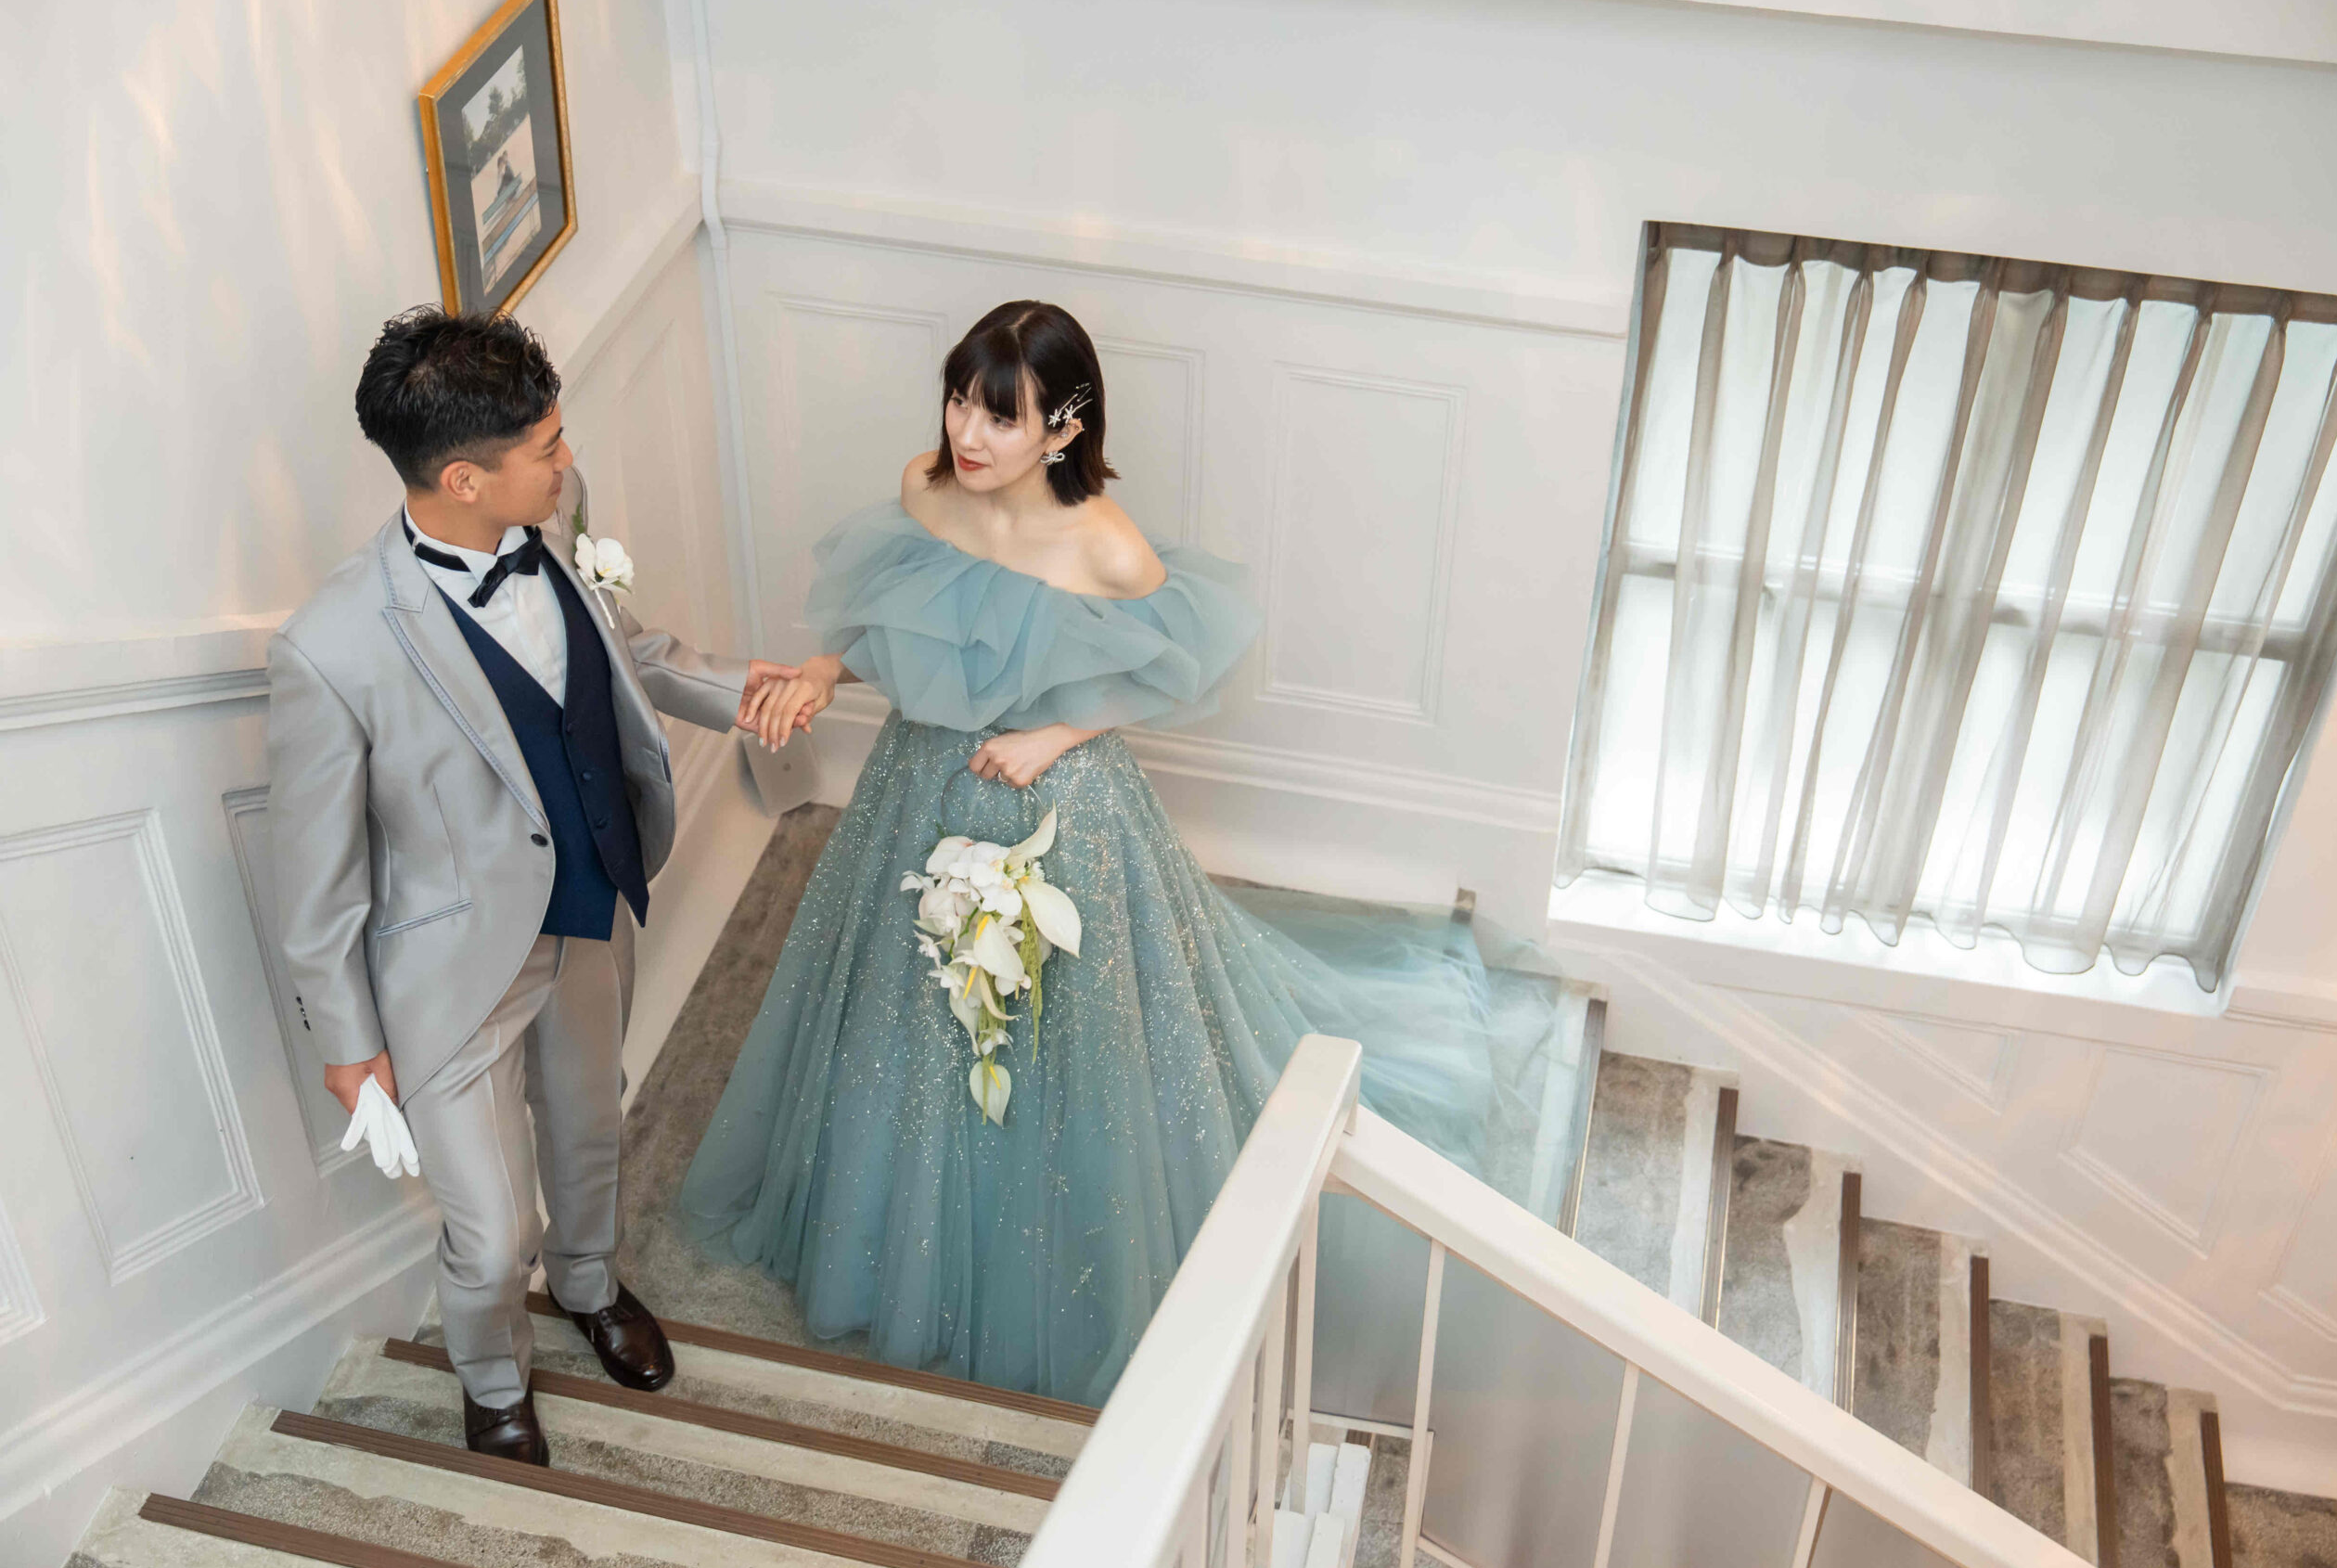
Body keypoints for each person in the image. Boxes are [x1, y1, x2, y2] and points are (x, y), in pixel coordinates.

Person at [679, 300, 1542, 1405]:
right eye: (959, 402)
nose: (967, 434)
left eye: (1001, 415)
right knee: (908, 1010)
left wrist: (1056, 734)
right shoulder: (927, 488)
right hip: (916, 783)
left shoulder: (1105, 544)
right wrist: (819, 670)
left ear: (1065, 426)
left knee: (1065, 1029)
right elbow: (899, 620)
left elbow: (1172, 668)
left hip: (1053, 803)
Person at [267, 306, 803, 1464]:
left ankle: (590, 1282)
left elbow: (626, 651)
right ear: (464, 479)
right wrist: (347, 1043)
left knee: (591, 1122)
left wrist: (745, 691)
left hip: (590, 908)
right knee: (489, 1221)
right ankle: (493, 1380)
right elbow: (314, 873)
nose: (569, 460)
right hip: (451, 971)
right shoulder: (331, 647)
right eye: (548, 446)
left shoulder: (551, 518)